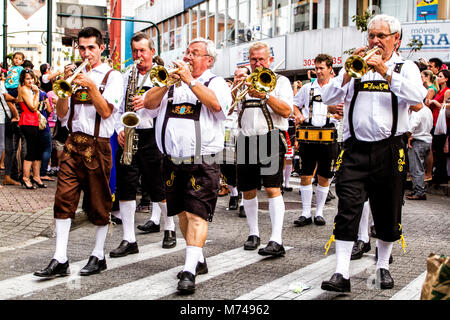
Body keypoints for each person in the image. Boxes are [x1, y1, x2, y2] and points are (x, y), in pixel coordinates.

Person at [320, 14, 427, 292]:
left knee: (388, 209)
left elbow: (418, 97)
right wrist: (345, 72)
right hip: (355, 148)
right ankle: (341, 273)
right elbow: (328, 98)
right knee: (348, 209)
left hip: (390, 148)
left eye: (381, 36)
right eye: (372, 35)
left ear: (396, 39)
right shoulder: (356, 66)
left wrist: (385, 72)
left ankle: (382, 267)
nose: (375, 41)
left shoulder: (406, 67)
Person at [33, 27, 124, 278]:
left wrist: (92, 86)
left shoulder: (113, 76)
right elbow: (62, 114)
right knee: (63, 199)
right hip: (73, 144)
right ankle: (60, 257)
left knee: (98, 202)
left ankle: (98, 254)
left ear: (101, 48)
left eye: (91, 48)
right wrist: (64, 88)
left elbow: (106, 112)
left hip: (99, 145)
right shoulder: (74, 74)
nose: (85, 53)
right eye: (81, 48)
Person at [143, 37, 231, 294]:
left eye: (194, 53)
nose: (188, 57)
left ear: (208, 60)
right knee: (181, 212)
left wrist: (190, 82)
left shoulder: (215, 83)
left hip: (203, 159)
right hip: (171, 160)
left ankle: (189, 270)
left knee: (196, 213)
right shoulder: (170, 82)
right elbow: (148, 104)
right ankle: (198, 258)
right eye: (187, 52)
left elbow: (217, 106)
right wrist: (167, 83)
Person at [110, 32, 175, 258]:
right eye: (135, 51)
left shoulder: (161, 75)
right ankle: (129, 239)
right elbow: (118, 109)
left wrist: (146, 103)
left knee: (158, 186)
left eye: (143, 51)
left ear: (152, 52)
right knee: (126, 188)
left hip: (152, 136)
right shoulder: (126, 75)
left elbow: (163, 109)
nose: (138, 55)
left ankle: (169, 228)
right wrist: (119, 130)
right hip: (128, 135)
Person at [233, 41, 293, 256]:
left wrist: (265, 96)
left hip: (270, 138)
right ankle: (253, 233)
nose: (257, 64)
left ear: (270, 60)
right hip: (246, 139)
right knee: (247, 190)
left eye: (261, 59)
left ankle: (276, 239)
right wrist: (235, 86)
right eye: (253, 59)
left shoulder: (281, 81)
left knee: (272, 188)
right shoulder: (245, 81)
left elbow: (287, 111)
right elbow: (230, 108)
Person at [292, 54, 340, 228]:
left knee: (324, 176)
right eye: (316, 68)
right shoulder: (307, 88)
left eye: (322, 68)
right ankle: (305, 212)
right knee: (305, 174)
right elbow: (295, 104)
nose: (318, 71)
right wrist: (298, 115)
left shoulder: (336, 87)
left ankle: (319, 212)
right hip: (309, 134)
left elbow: (343, 108)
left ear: (329, 69)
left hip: (328, 134)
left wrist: (338, 113)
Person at [17, 69, 43, 189]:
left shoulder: (30, 90)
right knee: (31, 150)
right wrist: (37, 93)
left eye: (31, 78)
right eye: (27, 78)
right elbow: (33, 107)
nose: (30, 80)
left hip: (33, 121)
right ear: (23, 80)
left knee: (38, 150)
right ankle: (25, 177)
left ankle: (36, 176)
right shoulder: (24, 89)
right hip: (27, 121)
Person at [405, 104, 433, 200]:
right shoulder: (427, 110)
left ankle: (419, 191)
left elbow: (411, 127)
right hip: (427, 139)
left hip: (418, 141)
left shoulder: (416, 113)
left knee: (416, 168)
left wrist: (406, 137)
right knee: (420, 167)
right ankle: (419, 190)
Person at [427, 70, 450, 185]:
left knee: (440, 149)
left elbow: (445, 107)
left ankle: (441, 175)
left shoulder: (447, 91)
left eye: (440, 76)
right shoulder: (440, 90)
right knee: (437, 148)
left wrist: (435, 103)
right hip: (435, 121)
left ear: (446, 79)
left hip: (442, 123)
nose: (438, 78)